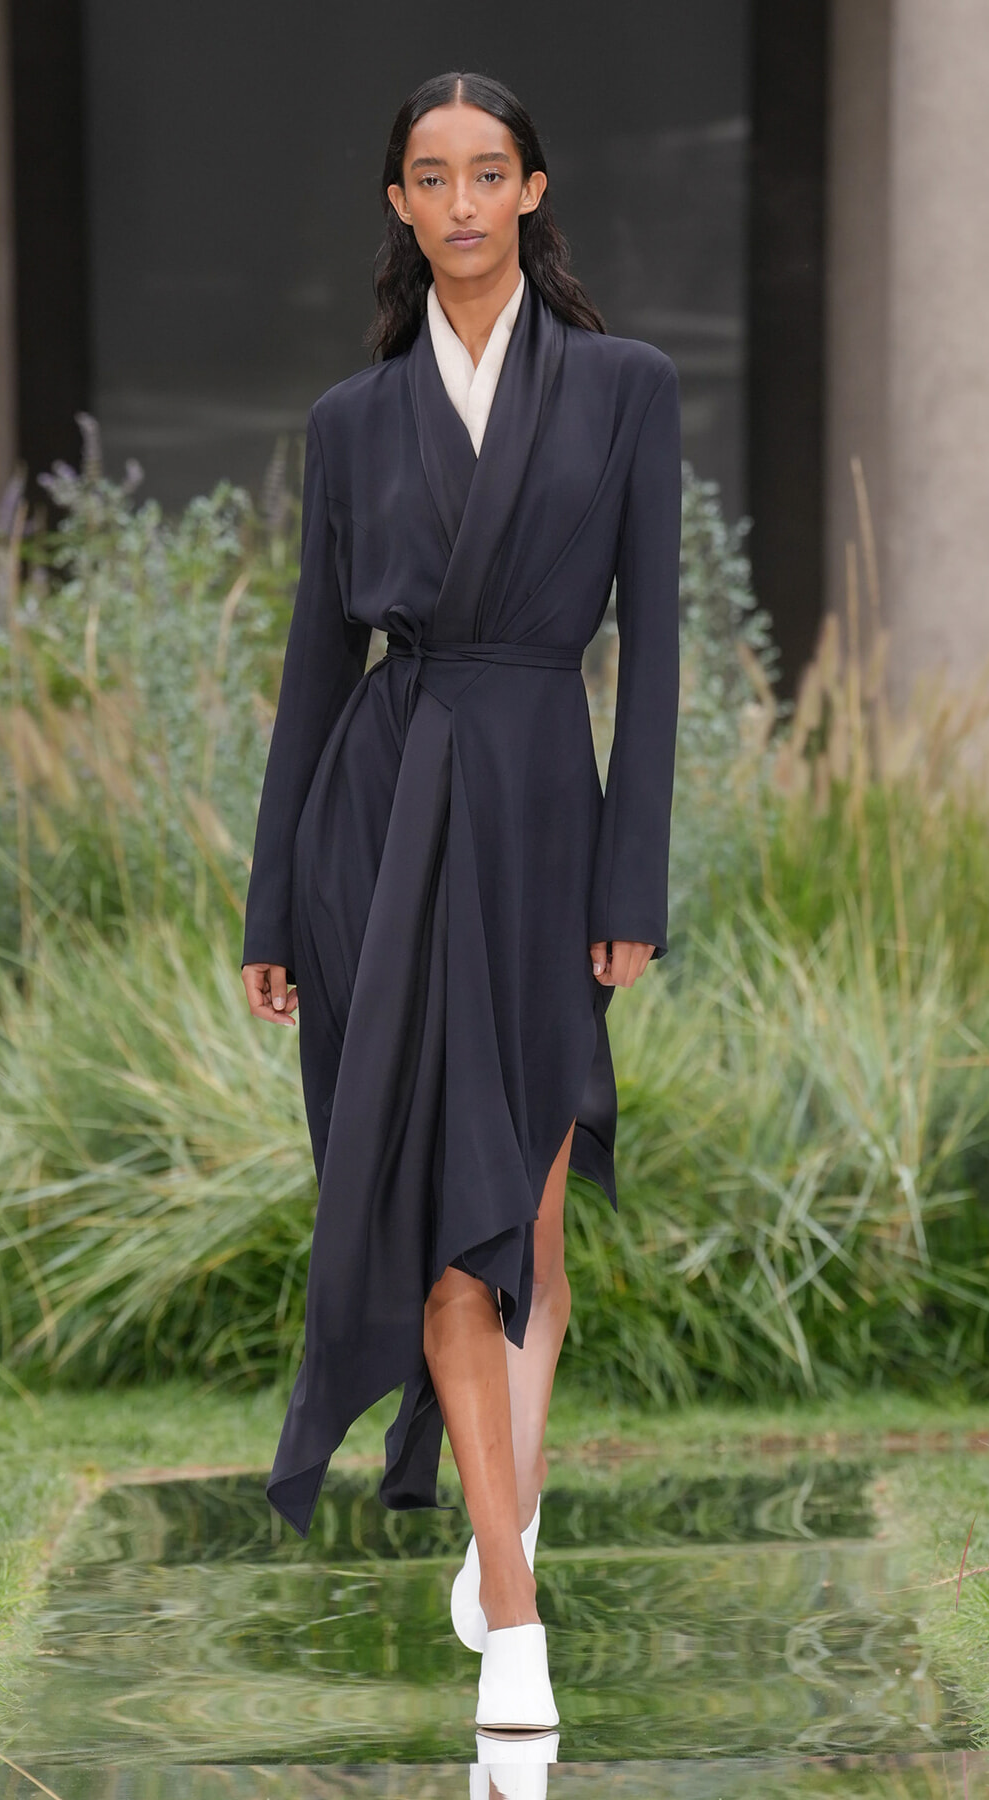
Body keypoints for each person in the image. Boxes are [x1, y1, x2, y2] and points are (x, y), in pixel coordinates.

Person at [241, 69, 681, 1732]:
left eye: (491, 173)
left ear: (536, 190)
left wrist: (631, 877)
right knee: (444, 1230)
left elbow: (659, 660)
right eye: (433, 177)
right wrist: (274, 907)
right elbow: (308, 674)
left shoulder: (629, 390)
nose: (466, 202)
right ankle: (515, 1615)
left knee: (534, 1232)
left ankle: (505, 1507)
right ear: (400, 208)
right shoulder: (351, 424)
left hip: (543, 828)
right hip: (377, 822)